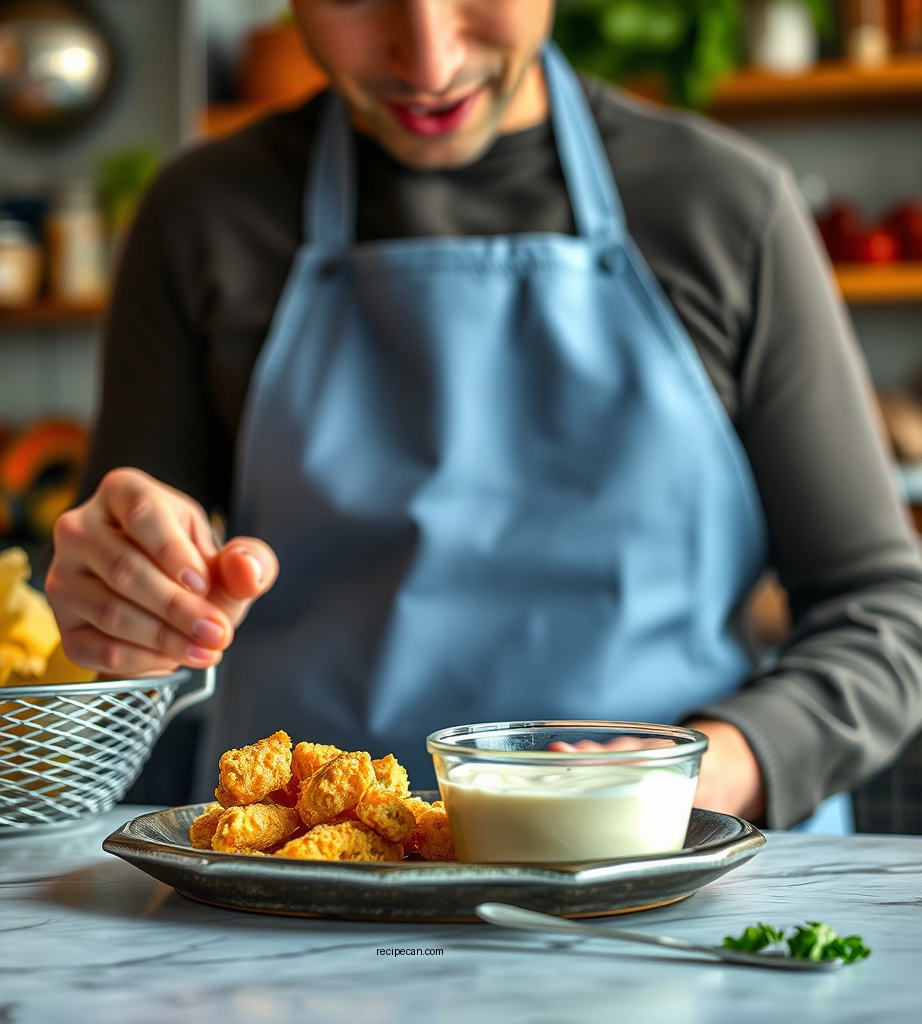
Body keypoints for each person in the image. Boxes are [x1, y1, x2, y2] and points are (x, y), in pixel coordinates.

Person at [45, 0, 922, 832]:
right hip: (304, 893)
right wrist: (124, 602)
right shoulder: (202, 215)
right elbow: (114, 640)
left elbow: (884, 611)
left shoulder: (726, 205)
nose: (428, 62)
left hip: (670, 871)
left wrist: (706, 770)